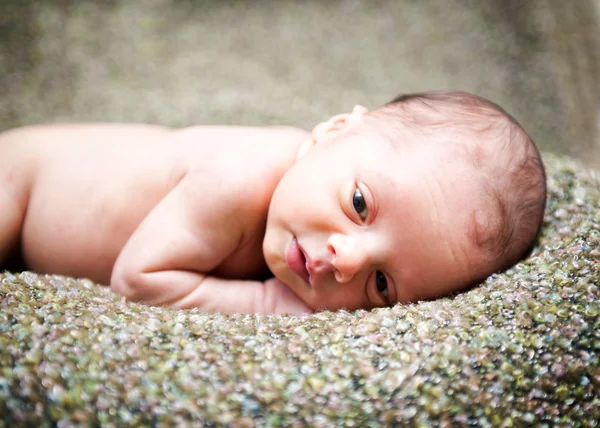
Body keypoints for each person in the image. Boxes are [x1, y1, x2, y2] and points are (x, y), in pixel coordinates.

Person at [0, 91, 546, 315]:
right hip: (21, 184)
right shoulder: (240, 177)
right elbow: (138, 278)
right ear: (332, 132)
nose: (348, 260)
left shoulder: (303, 211)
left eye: (381, 285)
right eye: (359, 203)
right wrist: (269, 304)